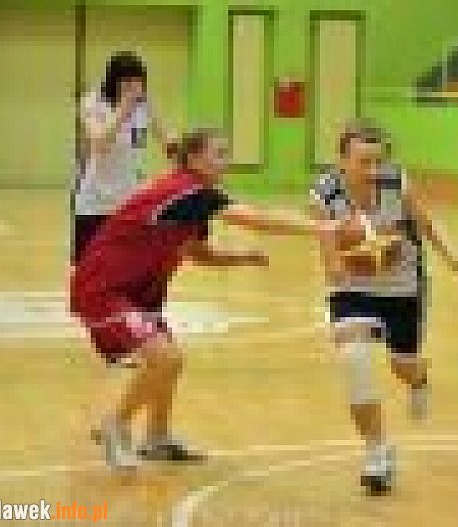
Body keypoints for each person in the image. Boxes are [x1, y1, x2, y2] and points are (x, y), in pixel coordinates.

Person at [70, 128, 315, 469]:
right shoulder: (187, 191)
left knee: (168, 363)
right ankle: (115, 424)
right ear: (194, 158)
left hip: (139, 295)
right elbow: (256, 219)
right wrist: (324, 229)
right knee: (165, 358)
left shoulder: (191, 199)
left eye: (227, 153)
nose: (226, 161)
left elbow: (194, 252)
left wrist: (241, 258)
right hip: (104, 289)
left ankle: (157, 439)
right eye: (219, 154)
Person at [310, 121, 458, 494]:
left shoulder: (396, 183)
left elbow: (425, 223)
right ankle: (377, 451)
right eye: (363, 162)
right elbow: (328, 251)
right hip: (353, 287)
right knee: (354, 358)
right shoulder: (324, 193)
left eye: (378, 161)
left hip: (402, 287)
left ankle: (419, 379)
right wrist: (346, 259)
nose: (373, 170)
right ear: (342, 161)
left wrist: (450, 254)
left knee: (403, 366)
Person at [73, 51, 173, 264]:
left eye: (139, 82)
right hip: (95, 202)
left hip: (130, 202)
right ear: (114, 81)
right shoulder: (92, 103)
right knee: (88, 266)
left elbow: (167, 141)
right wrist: (123, 110)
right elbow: (99, 143)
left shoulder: (144, 106)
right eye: (128, 82)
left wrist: (186, 151)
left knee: (128, 264)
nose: (135, 88)